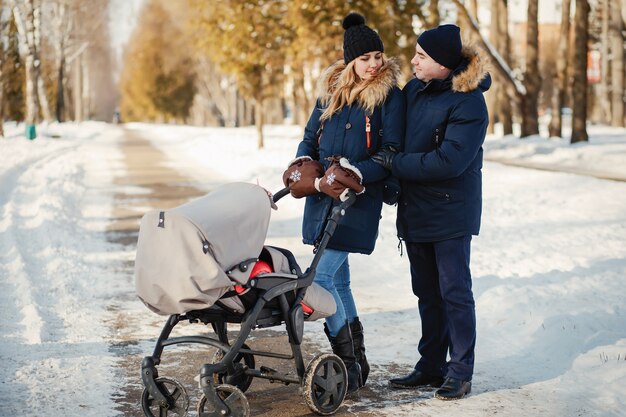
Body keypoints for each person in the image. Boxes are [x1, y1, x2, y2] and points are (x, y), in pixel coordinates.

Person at [282, 12, 405, 393]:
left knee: (320, 276)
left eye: (377, 57)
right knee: (340, 280)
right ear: (350, 60)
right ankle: (357, 363)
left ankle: (347, 363)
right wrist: (303, 164)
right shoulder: (330, 92)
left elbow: (392, 150)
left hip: (357, 198)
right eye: (365, 58)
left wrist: (357, 173)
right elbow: (309, 138)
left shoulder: (390, 97)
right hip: (321, 194)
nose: (373, 65)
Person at [372, 24, 490, 400]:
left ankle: (460, 371)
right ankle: (431, 364)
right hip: (416, 208)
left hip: (451, 211)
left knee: (454, 291)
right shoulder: (413, 91)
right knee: (426, 292)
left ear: (442, 63)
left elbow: (450, 161)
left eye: (422, 56)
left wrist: (396, 163)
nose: (413, 61)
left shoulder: (468, 101)